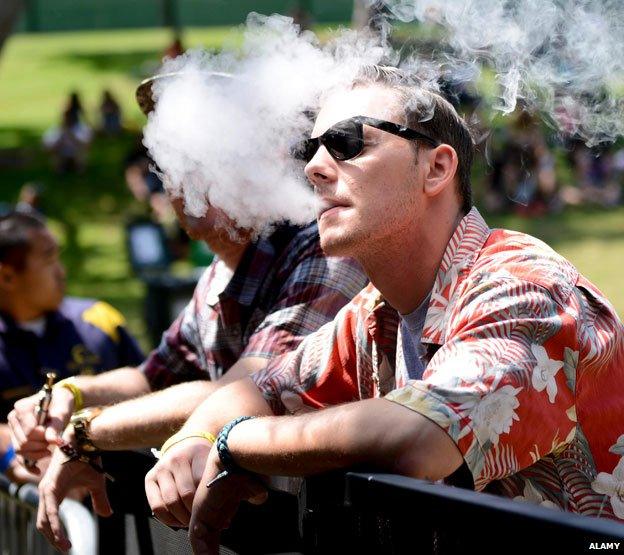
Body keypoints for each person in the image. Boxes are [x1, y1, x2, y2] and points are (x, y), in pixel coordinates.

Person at [130, 65, 623, 553]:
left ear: (437, 168)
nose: (314, 167)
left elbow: (419, 437)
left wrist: (233, 444)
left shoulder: (521, 284)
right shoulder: (373, 315)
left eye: (348, 142)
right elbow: (252, 390)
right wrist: (192, 438)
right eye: (311, 149)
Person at [0, 212, 144, 482]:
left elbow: (153, 388)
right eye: (49, 260)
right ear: (7, 276)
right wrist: (10, 449)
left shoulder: (101, 320)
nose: (61, 271)